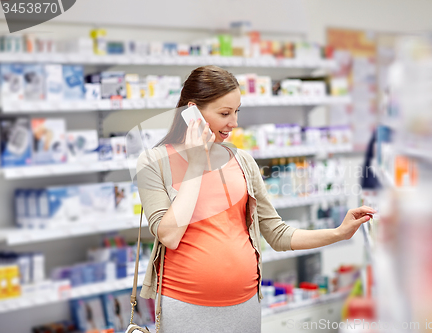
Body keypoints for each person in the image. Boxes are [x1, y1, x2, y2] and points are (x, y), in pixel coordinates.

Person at [136, 65, 375, 333]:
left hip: (246, 304)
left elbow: (277, 233)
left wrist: (339, 234)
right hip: (186, 306)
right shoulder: (154, 162)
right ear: (192, 111)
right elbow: (168, 235)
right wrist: (195, 164)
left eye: (237, 111)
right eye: (225, 113)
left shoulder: (242, 161)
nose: (234, 123)